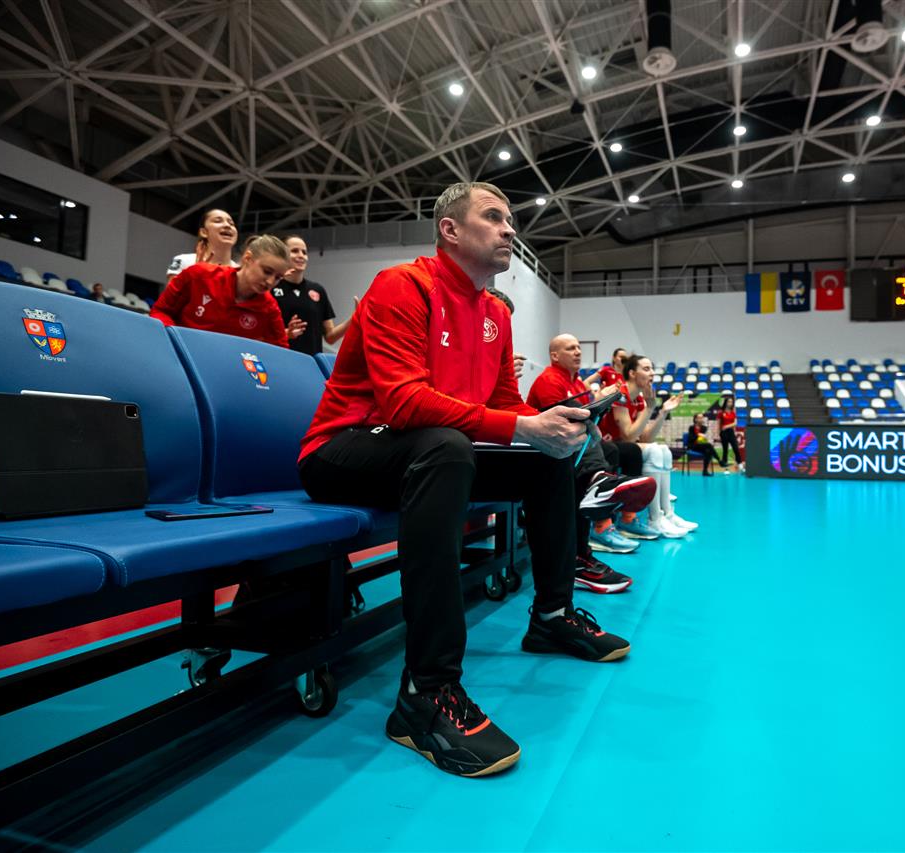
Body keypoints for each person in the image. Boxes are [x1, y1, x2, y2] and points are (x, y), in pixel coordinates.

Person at [298, 182, 631, 778]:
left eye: (511, 219)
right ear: (450, 230)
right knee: (448, 448)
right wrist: (521, 425)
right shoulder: (403, 285)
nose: (510, 229)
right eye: (494, 217)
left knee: (546, 458)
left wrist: (548, 426)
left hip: (430, 452)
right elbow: (403, 404)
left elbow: (503, 407)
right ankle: (425, 692)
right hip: (343, 450)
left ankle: (553, 617)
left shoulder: (495, 314)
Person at [527, 334, 654, 593]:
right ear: (554, 355)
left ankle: (587, 542)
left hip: (568, 451)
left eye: (578, 347)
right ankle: (598, 494)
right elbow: (560, 424)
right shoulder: (549, 380)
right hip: (544, 451)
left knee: (612, 452)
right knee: (595, 452)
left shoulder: (576, 383)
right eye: (570, 348)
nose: (577, 351)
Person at [603, 353, 697, 539]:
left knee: (663, 450)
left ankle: (667, 514)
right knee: (654, 451)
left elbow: (645, 437)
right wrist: (649, 408)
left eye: (652, 368)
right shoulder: (620, 394)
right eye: (646, 369)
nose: (652, 373)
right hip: (607, 448)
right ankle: (654, 519)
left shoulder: (639, 399)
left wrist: (662, 412)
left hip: (626, 448)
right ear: (632, 373)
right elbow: (629, 436)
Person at [151, 234, 291, 348]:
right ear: (248, 258)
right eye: (267, 271)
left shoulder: (269, 308)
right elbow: (161, 311)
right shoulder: (199, 275)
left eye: (278, 278)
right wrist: (174, 340)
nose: (270, 282)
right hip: (181, 356)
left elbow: (281, 351)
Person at [271, 235, 356, 356]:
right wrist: (286, 333)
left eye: (304, 252)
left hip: (312, 363)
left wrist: (354, 318)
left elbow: (330, 337)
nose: (301, 255)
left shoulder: (317, 290)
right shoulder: (271, 287)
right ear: (282, 255)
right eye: (295, 251)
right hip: (280, 358)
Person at [166, 209, 239, 282]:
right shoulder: (183, 261)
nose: (227, 225)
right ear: (204, 232)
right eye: (218, 221)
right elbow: (171, 289)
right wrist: (196, 273)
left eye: (231, 224)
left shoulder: (239, 272)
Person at [717, 395, 740, 467]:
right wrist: (718, 434)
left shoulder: (733, 412)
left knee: (736, 448)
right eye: (729, 402)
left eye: (731, 402)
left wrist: (726, 426)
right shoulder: (721, 412)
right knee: (725, 449)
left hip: (730, 432)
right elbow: (718, 424)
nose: (730, 403)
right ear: (725, 403)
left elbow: (735, 423)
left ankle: (739, 463)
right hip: (723, 433)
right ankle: (724, 463)